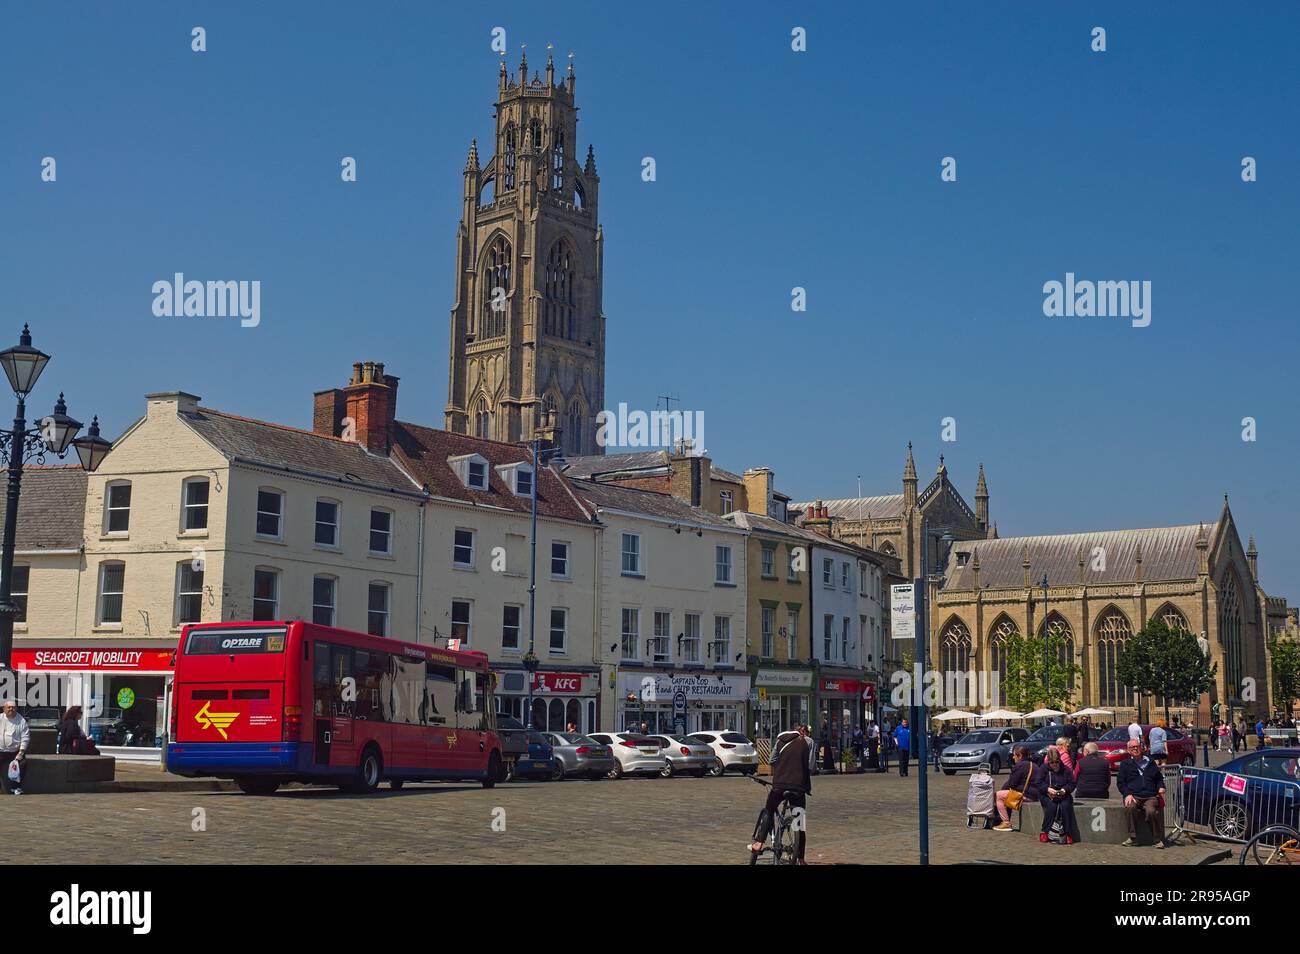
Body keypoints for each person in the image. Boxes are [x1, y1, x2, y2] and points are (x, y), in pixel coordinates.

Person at [750, 724, 812, 863]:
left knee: (769, 810)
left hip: (779, 784)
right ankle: (801, 859)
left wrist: (783, 765)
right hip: (798, 787)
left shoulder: (779, 741)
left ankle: (759, 842)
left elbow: (772, 760)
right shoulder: (806, 743)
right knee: (799, 821)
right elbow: (811, 765)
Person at [1117, 740, 1168, 848]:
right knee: (1130, 808)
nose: (1135, 749)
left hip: (1150, 795)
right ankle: (1133, 838)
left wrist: (1161, 787)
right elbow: (1121, 783)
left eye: (1137, 746)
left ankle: (1157, 839)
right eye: (1132, 748)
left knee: (1151, 811)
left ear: (1141, 748)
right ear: (1128, 751)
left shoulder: (1150, 761)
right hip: (1133, 795)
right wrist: (1127, 794)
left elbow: (1158, 778)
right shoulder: (1125, 764)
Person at [1039, 746, 1079, 844]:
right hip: (1047, 794)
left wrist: (1064, 790)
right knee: (1052, 807)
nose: (1054, 765)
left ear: (1059, 760)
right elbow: (1038, 783)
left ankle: (1067, 833)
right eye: (1052, 762)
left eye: (1056, 762)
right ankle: (1045, 831)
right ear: (1048, 762)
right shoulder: (1043, 768)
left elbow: (1072, 783)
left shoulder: (1066, 769)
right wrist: (1048, 789)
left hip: (1063, 794)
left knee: (1065, 807)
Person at [993, 745, 1038, 831]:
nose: (1013, 757)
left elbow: (1012, 783)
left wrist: (1003, 790)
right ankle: (1005, 821)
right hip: (1035, 794)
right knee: (1006, 794)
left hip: (1027, 795)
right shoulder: (1034, 765)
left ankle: (1006, 822)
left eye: (1014, 755)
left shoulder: (1020, 766)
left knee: (998, 795)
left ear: (1019, 756)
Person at [0, 701, 30, 795]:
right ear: (4, 709)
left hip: (15, 751)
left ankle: (16, 787)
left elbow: (25, 737)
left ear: (16, 708)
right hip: (1, 750)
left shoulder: (21, 721)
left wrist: (21, 752)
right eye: (8, 707)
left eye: (13, 707)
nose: (11, 709)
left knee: (23, 764)